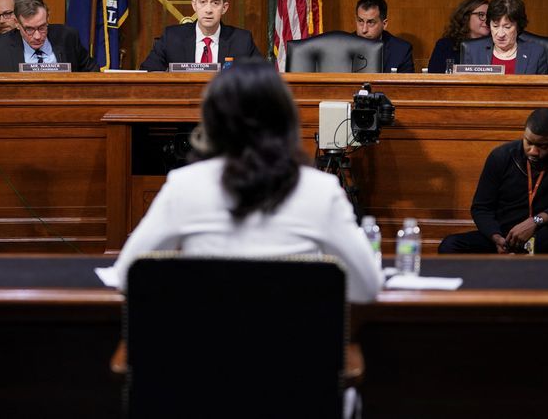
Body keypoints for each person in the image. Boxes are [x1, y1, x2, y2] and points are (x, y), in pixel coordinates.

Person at [114, 59, 382, 303]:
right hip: (293, 342)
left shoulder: (184, 186)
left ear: (211, 122)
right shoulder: (321, 191)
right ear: (286, 121)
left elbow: (127, 275)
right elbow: (366, 287)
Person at [439, 108, 548, 254]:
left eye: (543, 146)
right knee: (450, 246)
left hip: (547, 239)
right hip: (506, 237)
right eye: (529, 142)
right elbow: (481, 207)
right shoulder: (502, 156)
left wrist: (536, 221)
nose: (533, 151)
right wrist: (496, 238)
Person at [139, 0, 261, 71]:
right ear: (194, 5)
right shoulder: (172, 37)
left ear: (224, 8)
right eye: (203, 2)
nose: (208, 10)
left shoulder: (242, 40)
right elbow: (148, 73)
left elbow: (263, 78)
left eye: (215, 3)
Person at [0, 0, 93, 72]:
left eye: (42, 27)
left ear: (48, 18)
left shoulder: (68, 37)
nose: (38, 36)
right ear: (17, 23)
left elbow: (91, 73)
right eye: (29, 29)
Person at [461, 0, 548, 74]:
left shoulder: (535, 53)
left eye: (507, 27)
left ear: (518, 27)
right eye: (495, 26)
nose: (500, 34)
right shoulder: (473, 51)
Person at [427, 0, 489, 73]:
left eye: (489, 16)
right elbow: (434, 75)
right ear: (466, 17)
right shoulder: (445, 45)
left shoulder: (497, 45)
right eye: (481, 15)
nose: (487, 21)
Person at [354, 0, 414, 73]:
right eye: (360, 21)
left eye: (370, 22)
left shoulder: (401, 50)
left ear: (384, 24)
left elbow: (406, 81)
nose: (364, 30)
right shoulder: (342, 45)